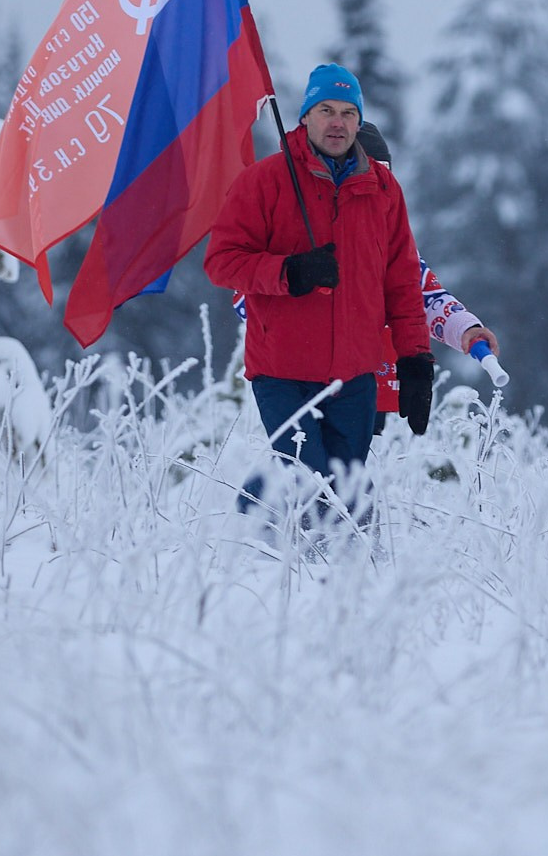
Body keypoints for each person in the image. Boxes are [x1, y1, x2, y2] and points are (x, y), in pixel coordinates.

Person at [205, 66, 427, 526]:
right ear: (305, 116)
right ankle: (257, 542)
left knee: (346, 489)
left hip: (355, 373)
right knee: (309, 479)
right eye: (325, 110)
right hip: (282, 370)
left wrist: (415, 362)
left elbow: (403, 283)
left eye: (348, 112)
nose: (337, 122)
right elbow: (221, 261)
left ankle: (335, 575)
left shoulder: (384, 190)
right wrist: (288, 271)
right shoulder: (264, 181)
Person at [229, 120, 499, 435]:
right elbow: (245, 298)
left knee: (350, 477)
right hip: (299, 382)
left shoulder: (393, 255)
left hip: (373, 389)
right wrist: (299, 281)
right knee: (302, 468)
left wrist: (467, 328)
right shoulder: (294, 245)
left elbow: (428, 299)